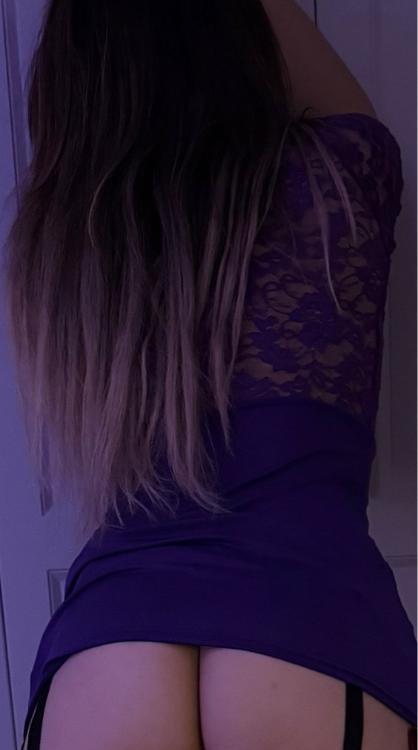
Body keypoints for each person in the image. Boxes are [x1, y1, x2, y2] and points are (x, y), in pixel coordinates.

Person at [4, 1, 416, 748]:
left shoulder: (61, 248)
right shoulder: (340, 185)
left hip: (110, 641)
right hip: (309, 621)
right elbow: (336, 93)